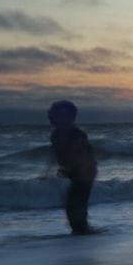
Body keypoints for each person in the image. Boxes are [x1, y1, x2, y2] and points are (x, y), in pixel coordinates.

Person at [47, 100, 97, 235]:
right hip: (74, 172)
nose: (56, 119)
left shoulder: (77, 134)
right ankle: (81, 229)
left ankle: (81, 229)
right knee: (72, 202)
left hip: (85, 172)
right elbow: (57, 154)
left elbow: (86, 153)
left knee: (76, 202)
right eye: (55, 115)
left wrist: (78, 169)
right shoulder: (56, 135)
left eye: (62, 115)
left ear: (71, 117)